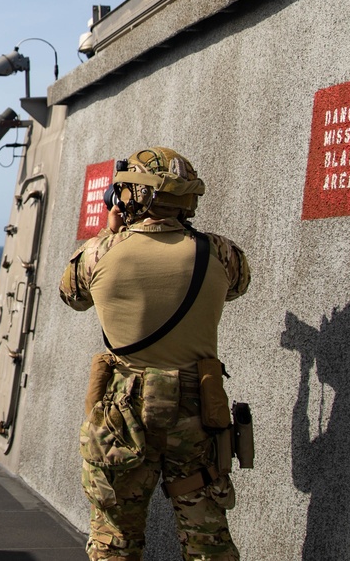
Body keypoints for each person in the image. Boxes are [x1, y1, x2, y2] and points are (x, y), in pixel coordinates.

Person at [59, 147, 250, 561]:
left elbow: (71, 296)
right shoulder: (221, 253)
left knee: (116, 536)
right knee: (207, 537)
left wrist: (110, 232)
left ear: (134, 196)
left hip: (122, 413)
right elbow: (237, 287)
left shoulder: (99, 253)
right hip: (198, 410)